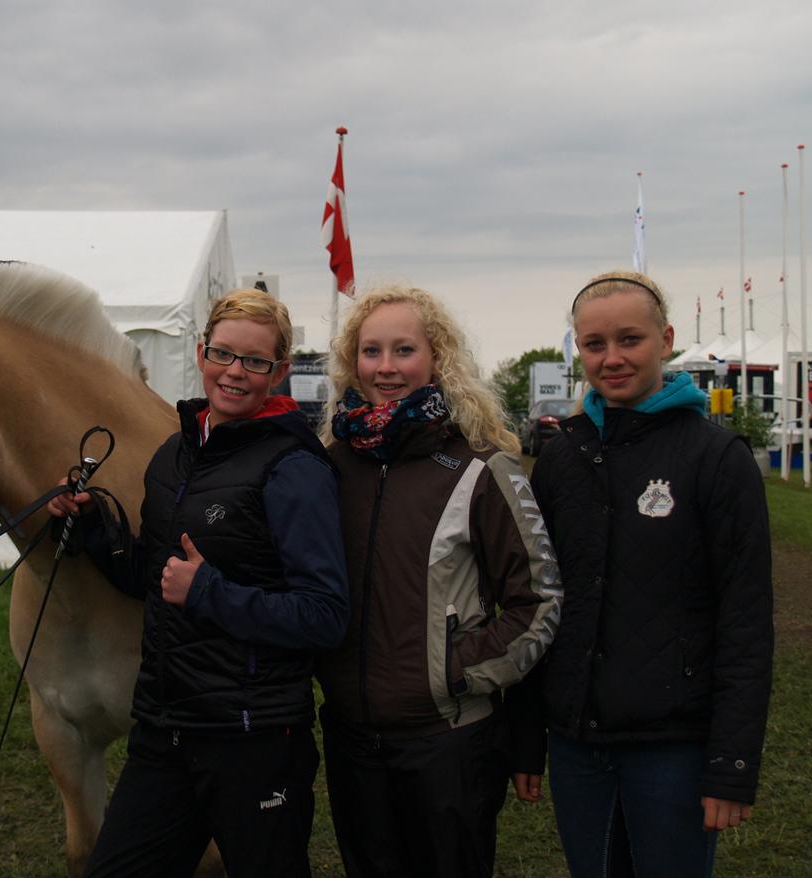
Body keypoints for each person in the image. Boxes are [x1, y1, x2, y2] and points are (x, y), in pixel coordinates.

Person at [49, 288, 349, 878]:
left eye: (255, 361)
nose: (235, 372)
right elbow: (153, 578)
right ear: (200, 351)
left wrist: (209, 590)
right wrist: (91, 526)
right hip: (165, 728)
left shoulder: (295, 468)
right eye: (223, 354)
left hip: (254, 740)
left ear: (281, 371)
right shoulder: (174, 455)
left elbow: (324, 615)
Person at [528, 270, 773, 877]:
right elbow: (535, 606)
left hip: (674, 748)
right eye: (593, 344)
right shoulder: (561, 457)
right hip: (578, 746)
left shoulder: (716, 457)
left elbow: (745, 621)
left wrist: (731, 766)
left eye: (629, 340)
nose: (611, 359)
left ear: (664, 339)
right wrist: (527, 736)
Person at [314, 284, 563, 877]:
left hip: (448, 742)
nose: (386, 367)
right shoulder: (328, 461)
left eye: (404, 350)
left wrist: (452, 673)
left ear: (437, 357)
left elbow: (539, 602)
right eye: (371, 351)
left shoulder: (481, 465)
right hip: (351, 737)